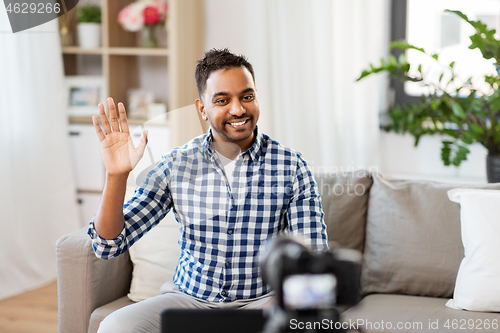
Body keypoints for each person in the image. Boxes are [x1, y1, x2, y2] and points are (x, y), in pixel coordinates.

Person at [88, 48, 328, 333]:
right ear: (202, 108)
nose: (238, 109)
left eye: (247, 96)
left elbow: (315, 258)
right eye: (222, 100)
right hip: (188, 299)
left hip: (263, 301)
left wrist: (281, 303)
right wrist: (117, 175)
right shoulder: (176, 164)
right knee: (115, 327)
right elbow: (108, 245)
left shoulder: (291, 166)